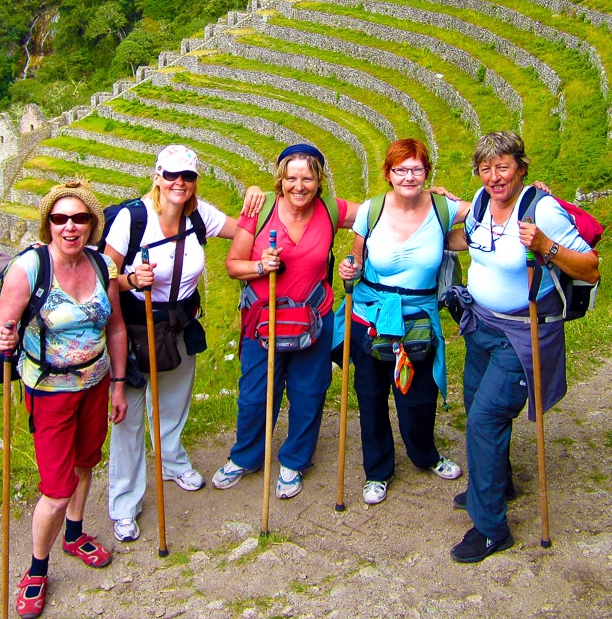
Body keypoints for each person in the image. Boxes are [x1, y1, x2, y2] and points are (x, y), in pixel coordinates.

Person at [445, 132, 599, 564]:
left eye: (503, 166)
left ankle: (491, 529)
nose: (494, 177)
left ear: (521, 167)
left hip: (522, 332)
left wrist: (546, 247)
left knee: (484, 417)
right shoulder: (479, 201)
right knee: (475, 403)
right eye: (486, 168)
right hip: (481, 326)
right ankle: (499, 483)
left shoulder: (542, 209)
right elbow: (472, 240)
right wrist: (425, 238)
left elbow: (591, 267)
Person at [103, 145, 264, 543]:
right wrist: (129, 280)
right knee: (130, 418)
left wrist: (256, 201)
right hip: (137, 327)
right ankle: (124, 503)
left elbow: (244, 230)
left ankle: (172, 460)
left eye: (188, 176)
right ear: (157, 175)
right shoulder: (132, 218)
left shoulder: (199, 215)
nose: (180, 183)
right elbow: (104, 275)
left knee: (174, 402)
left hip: (180, 322)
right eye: (172, 175)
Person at [0, 180, 128, 619]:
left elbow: (116, 329)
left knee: (86, 463)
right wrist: (0, 335)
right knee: (56, 488)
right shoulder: (29, 269)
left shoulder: (103, 266)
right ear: (48, 224)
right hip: (49, 392)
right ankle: (36, 569)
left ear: (92, 224)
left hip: (96, 383)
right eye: (60, 218)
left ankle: (75, 534)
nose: (70, 226)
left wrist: (119, 383)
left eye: (80, 218)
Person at [213, 143, 361, 499]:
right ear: (281, 179)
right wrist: (259, 266)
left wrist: (425, 198)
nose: (299, 185)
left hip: (314, 318)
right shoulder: (260, 209)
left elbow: (379, 214)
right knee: (254, 395)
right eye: (292, 177)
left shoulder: (330, 210)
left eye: (307, 178)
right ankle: (246, 456)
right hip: (263, 321)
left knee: (308, 393)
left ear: (319, 180)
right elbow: (233, 265)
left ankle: (294, 461)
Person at [335, 139, 466, 505]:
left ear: (428, 172)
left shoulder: (443, 207)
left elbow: (490, 210)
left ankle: (425, 454)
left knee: (418, 398)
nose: (409, 177)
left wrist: (532, 193)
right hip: (371, 316)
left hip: (418, 318)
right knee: (371, 396)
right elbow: (357, 261)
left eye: (416, 169)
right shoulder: (372, 211)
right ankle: (377, 471)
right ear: (388, 174)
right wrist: (350, 267)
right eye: (400, 170)